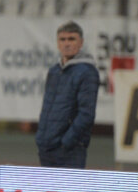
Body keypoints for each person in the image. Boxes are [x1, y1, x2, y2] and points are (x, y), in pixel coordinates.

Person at [35, 21, 99, 169]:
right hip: (46, 147)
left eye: (72, 39)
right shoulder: (54, 71)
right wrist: (41, 138)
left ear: (81, 42)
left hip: (69, 150)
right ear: (57, 43)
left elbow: (86, 114)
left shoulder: (87, 72)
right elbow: (47, 106)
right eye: (62, 39)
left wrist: (66, 143)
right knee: (47, 191)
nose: (67, 44)